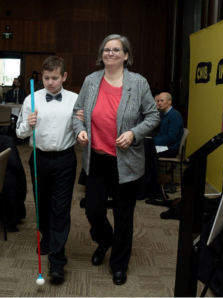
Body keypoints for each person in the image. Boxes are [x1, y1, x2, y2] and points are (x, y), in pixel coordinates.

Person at [72, 34, 159, 285]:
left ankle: (119, 264)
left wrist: (133, 133)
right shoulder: (90, 81)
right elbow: (76, 114)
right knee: (93, 211)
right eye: (106, 50)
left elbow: (152, 118)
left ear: (126, 55)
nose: (111, 53)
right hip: (96, 160)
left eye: (116, 50)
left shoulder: (138, 83)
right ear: (101, 55)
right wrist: (79, 128)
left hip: (126, 162)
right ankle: (105, 239)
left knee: (123, 215)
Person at [16, 56, 78, 281]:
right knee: (41, 205)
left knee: (60, 208)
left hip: (64, 159)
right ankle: (46, 236)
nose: (50, 82)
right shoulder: (30, 99)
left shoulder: (75, 100)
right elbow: (19, 133)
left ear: (64, 77)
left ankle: (58, 260)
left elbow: (82, 133)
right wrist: (27, 124)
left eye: (54, 78)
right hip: (39, 158)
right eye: (46, 78)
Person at [153, 92, 184, 158]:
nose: (159, 103)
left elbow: (171, 137)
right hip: (164, 146)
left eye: (162, 101)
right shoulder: (164, 114)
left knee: (147, 153)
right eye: (158, 101)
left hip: (170, 149)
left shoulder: (174, 115)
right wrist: (153, 141)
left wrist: (155, 142)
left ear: (169, 102)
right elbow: (161, 133)